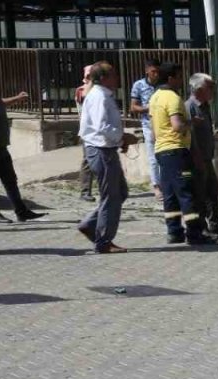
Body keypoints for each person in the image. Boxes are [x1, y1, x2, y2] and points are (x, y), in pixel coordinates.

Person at [149, 62, 215, 246]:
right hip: (177, 150)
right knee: (187, 193)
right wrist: (192, 122)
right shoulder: (172, 98)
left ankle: (174, 232)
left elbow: (153, 131)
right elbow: (177, 126)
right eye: (179, 77)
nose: (181, 81)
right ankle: (194, 233)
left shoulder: (155, 97)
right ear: (170, 78)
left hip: (161, 150)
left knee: (170, 194)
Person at [77, 62, 138, 254]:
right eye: (113, 75)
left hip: (106, 149)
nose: (117, 78)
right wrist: (122, 138)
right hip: (100, 150)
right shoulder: (99, 96)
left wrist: (120, 140)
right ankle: (103, 241)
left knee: (119, 192)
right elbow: (101, 126)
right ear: (103, 78)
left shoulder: (104, 95)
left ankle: (91, 225)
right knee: (111, 196)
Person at [186, 73, 218, 237]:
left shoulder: (205, 106)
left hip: (207, 157)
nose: (213, 91)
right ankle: (202, 228)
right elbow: (189, 135)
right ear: (199, 89)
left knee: (213, 192)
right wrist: (196, 157)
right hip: (197, 158)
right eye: (210, 87)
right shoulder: (190, 107)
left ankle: (216, 224)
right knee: (199, 194)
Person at [0, 90, 42, 223]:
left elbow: (1, 102)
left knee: (10, 181)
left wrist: (17, 98)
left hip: (2, 148)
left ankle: (21, 212)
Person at [129, 59, 163, 199]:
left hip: (163, 124)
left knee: (164, 155)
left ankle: (166, 183)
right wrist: (148, 108)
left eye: (158, 72)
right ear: (147, 71)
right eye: (153, 71)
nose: (156, 74)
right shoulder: (139, 85)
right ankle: (156, 185)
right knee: (153, 157)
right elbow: (133, 107)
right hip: (148, 124)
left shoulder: (163, 85)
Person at [75, 65, 96, 203]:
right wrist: (90, 83)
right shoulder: (81, 90)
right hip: (88, 131)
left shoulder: (100, 90)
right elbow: (84, 98)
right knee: (88, 160)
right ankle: (85, 191)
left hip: (99, 131)